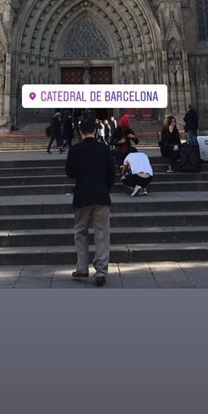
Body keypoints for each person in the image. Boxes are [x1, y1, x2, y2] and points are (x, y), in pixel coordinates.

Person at [65, 117, 116, 287]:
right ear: (95, 131)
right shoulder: (104, 148)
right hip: (101, 197)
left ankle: (82, 268)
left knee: (80, 233)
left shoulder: (76, 149)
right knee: (102, 235)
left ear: (80, 132)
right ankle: (101, 272)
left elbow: (70, 172)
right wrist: (104, 189)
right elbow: (111, 174)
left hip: (82, 197)